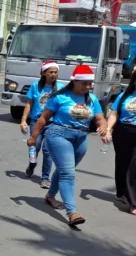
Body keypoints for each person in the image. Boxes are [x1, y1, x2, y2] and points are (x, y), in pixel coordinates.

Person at [28, 64, 108, 226]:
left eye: (90, 83)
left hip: (80, 138)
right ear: (74, 81)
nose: (88, 86)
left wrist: (104, 127)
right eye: (84, 83)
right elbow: (43, 119)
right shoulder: (60, 97)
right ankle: (72, 212)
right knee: (68, 174)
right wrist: (34, 136)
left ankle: (50, 196)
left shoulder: (91, 99)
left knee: (64, 170)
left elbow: (100, 117)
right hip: (58, 134)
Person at [20, 61, 64, 189]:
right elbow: (29, 103)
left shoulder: (60, 88)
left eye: (55, 72)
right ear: (44, 73)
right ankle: (32, 164)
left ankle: (45, 177)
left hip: (52, 123)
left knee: (48, 150)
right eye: (50, 72)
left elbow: (63, 106)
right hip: (36, 121)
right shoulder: (35, 86)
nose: (53, 75)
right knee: (35, 145)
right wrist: (23, 120)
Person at [104, 71, 136, 215]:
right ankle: (121, 191)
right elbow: (114, 114)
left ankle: (132, 201)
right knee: (122, 162)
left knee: (134, 166)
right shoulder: (124, 96)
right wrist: (109, 129)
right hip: (123, 132)